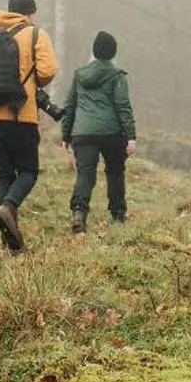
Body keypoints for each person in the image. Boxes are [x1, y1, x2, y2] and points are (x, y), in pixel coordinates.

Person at [0, 0, 58, 253]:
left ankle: (10, 244)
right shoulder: (35, 34)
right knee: (29, 171)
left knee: (4, 174)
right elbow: (47, 71)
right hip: (21, 115)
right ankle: (8, 207)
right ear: (30, 13)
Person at [61, 30, 138, 233]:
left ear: (94, 51)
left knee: (85, 173)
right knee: (115, 172)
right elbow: (123, 106)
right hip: (111, 133)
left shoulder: (80, 74)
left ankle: (79, 213)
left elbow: (70, 105)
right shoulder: (117, 76)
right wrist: (130, 136)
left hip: (83, 132)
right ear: (113, 52)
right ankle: (118, 214)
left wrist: (66, 135)